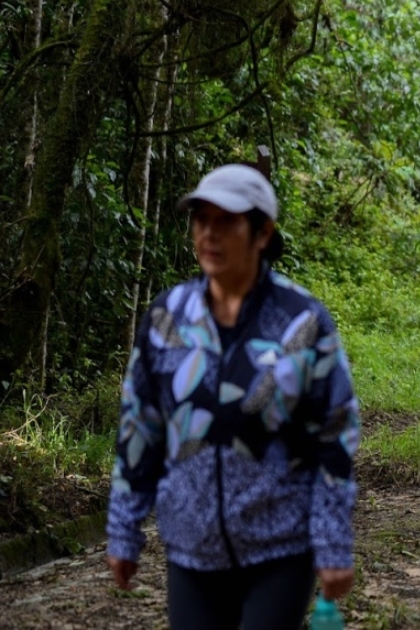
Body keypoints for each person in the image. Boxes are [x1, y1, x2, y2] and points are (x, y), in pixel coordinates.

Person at [106, 164, 360, 629]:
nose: (209, 234)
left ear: (262, 232)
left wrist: (332, 541)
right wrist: (124, 530)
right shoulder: (167, 319)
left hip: (280, 545)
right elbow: (140, 425)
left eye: (226, 222)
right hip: (190, 550)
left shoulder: (302, 322)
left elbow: (334, 434)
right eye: (201, 220)